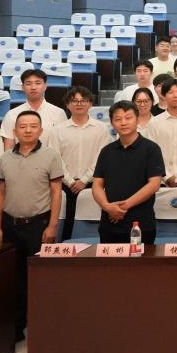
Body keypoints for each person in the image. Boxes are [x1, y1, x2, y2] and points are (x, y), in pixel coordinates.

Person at [0, 110, 64, 342]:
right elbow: (1, 192)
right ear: (15, 131)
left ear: (41, 130)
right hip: (9, 225)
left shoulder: (51, 155)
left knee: (39, 278)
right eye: (22, 126)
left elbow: (56, 192)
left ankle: (41, 329)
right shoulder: (5, 157)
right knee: (12, 279)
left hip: (38, 225)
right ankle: (16, 328)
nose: (28, 130)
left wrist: (53, 225)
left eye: (33, 126)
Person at [91, 101, 164, 244]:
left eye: (128, 118)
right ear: (112, 123)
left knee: (140, 259)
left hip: (141, 225)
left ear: (137, 119)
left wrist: (122, 208)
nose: (123, 123)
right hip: (109, 224)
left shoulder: (151, 149)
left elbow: (154, 185)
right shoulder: (106, 151)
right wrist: (107, 207)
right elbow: (97, 185)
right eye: (118, 119)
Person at [50, 86, 112, 240]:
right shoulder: (57, 130)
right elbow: (55, 158)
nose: (79, 104)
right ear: (67, 105)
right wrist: (70, 181)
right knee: (66, 225)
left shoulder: (101, 129)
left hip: (93, 184)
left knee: (93, 224)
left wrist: (84, 180)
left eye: (83, 100)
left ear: (90, 104)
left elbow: (102, 158)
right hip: (65, 186)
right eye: (74, 101)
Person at [0, 69, 68, 149]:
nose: (33, 87)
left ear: (45, 86)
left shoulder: (58, 113)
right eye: (28, 84)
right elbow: (9, 148)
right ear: (22, 87)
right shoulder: (12, 114)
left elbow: (64, 145)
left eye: (38, 83)